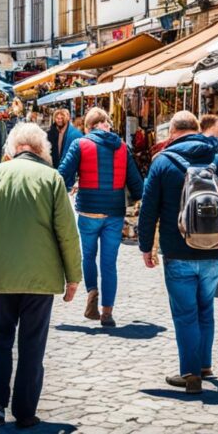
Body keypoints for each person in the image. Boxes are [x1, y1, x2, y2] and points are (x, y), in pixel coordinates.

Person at [0, 123, 82, 428]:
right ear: (42, 149)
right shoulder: (52, 180)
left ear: (13, 148)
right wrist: (73, 277)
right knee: (32, 344)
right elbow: (67, 233)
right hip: (40, 280)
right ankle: (25, 411)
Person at [137, 111, 218, 394]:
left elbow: (148, 211)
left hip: (177, 251)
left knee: (185, 313)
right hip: (214, 251)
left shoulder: (162, 163)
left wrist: (146, 247)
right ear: (198, 130)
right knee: (205, 308)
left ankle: (190, 373)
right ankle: (205, 364)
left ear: (171, 133)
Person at [58, 108, 143, 327]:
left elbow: (62, 175)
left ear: (88, 126)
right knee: (109, 264)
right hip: (114, 213)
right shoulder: (122, 148)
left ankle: (92, 294)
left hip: (88, 211)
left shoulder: (80, 144)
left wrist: (71, 187)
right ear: (106, 124)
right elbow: (136, 184)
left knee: (88, 256)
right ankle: (107, 313)